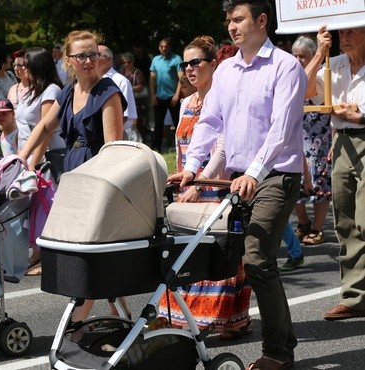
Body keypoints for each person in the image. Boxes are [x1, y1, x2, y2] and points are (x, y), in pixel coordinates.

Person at [168, 1, 306, 368]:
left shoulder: (286, 66)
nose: (231, 26)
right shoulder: (226, 70)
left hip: (276, 174)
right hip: (237, 177)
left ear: (262, 20)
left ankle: (278, 354)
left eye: (239, 18)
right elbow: (210, 123)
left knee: (258, 259)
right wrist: (192, 169)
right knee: (227, 256)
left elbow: (282, 129)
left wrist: (254, 173)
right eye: (228, 20)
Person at [18, 29, 126, 324]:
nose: (89, 60)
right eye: (82, 55)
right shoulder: (67, 92)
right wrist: (21, 159)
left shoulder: (109, 92)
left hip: (98, 178)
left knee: (89, 253)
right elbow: (43, 127)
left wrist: (97, 191)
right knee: (92, 254)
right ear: (68, 60)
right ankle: (126, 318)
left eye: (94, 54)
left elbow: (112, 149)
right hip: (72, 174)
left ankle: (77, 324)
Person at [158, 35, 254, 340]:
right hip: (191, 189)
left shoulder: (225, 100)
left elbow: (222, 149)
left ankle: (227, 319)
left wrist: (200, 182)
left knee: (218, 256)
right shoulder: (186, 102)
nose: (189, 68)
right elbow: (182, 148)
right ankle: (188, 317)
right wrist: (183, 178)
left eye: (196, 62)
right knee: (187, 256)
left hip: (216, 188)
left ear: (214, 65)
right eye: (185, 64)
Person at [304, 25, 365, 321]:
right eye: (343, 32)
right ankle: (355, 298)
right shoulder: (334, 62)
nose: (344, 37)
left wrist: (361, 117)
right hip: (342, 142)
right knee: (346, 221)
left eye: (352, 31)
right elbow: (302, 90)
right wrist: (319, 52)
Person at [290, 36, 333, 247]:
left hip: (320, 138)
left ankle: (317, 228)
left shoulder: (323, 74)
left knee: (320, 183)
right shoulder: (289, 75)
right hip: (297, 137)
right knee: (294, 182)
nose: (298, 60)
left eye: (303, 56)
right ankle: (303, 222)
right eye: (295, 56)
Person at [16, 47, 65, 170]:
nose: (23, 68)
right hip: (27, 155)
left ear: (37, 66)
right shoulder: (32, 91)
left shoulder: (51, 91)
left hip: (45, 159)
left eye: (26, 65)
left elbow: (47, 131)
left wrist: (33, 166)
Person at [149, 37, 183, 152]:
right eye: (161, 46)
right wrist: (152, 95)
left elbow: (181, 78)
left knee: (177, 122)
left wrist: (177, 95)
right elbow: (152, 78)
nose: (164, 48)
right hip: (159, 97)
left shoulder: (176, 59)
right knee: (158, 124)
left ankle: (181, 146)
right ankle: (156, 148)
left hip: (172, 96)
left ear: (170, 47)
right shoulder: (155, 60)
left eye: (166, 46)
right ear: (159, 48)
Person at [98, 46, 137, 141]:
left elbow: (123, 116)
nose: (91, 59)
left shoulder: (120, 81)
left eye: (96, 55)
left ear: (108, 60)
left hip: (116, 137)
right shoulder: (91, 81)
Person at [121, 51, 150, 142]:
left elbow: (140, 86)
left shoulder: (137, 72)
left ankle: (143, 142)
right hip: (125, 101)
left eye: (128, 62)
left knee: (139, 123)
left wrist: (127, 88)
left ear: (132, 62)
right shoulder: (122, 72)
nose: (126, 64)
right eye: (124, 62)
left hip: (137, 102)